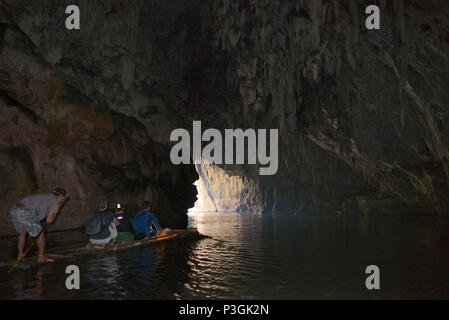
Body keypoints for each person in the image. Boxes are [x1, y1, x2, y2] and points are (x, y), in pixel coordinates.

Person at [9, 188, 68, 264]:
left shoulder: (46, 197)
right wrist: (56, 212)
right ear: (60, 197)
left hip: (14, 210)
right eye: (63, 198)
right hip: (24, 212)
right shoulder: (54, 201)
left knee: (23, 232)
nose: (63, 200)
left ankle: (20, 255)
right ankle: (41, 258)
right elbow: (49, 220)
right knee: (40, 234)